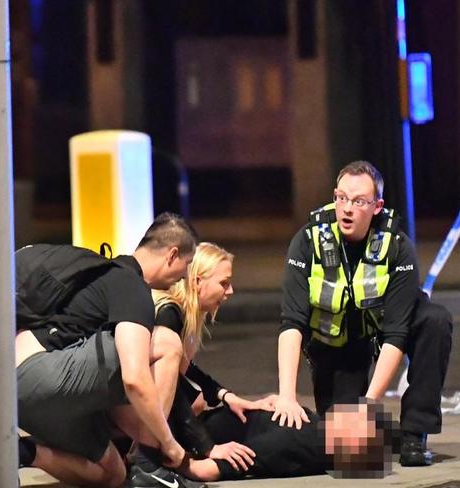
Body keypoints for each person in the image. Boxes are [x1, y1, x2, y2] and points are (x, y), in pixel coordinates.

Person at [0, 213, 201, 488]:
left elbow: (124, 400)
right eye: (187, 264)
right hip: (34, 374)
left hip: (16, 394)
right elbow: (134, 379)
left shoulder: (101, 277)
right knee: (166, 342)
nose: (184, 276)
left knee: (113, 474)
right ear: (172, 255)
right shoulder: (131, 286)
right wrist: (170, 446)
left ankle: (18, 451)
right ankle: (150, 469)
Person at [152, 242, 398, 481]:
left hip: (191, 424)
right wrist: (206, 449)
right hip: (174, 431)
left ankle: (370, 438)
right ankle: (217, 468)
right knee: (301, 437)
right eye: (224, 283)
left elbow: (186, 371)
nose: (230, 291)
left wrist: (228, 396)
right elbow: (167, 390)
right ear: (197, 282)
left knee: (280, 418)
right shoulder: (168, 315)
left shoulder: (185, 317)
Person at [273, 161, 453, 467]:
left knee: (433, 319)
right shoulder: (308, 241)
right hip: (337, 345)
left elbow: (397, 332)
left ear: (377, 206)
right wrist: (286, 396)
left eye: (358, 201)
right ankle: (381, 433)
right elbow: (292, 323)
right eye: (341, 197)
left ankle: (414, 433)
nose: (347, 208)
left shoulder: (396, 245)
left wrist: (369, 404)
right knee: (345, 449)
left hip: (381, 332)